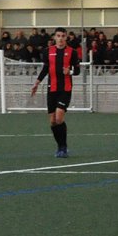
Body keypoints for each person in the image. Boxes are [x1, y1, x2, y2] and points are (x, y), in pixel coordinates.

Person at [31, 27, 80, 158]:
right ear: (54, 37)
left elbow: (77, 71)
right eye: (58, 36)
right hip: (51, 89)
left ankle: (63, 148)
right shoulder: (48, 51)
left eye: (63, 36)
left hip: (65, 89)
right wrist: (37, 82)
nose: (61, 38)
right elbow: (45, 68)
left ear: (66, 38)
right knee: (52, 121)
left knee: (59, 118)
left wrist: (69, 72)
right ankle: (60, 147)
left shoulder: (72, 52)